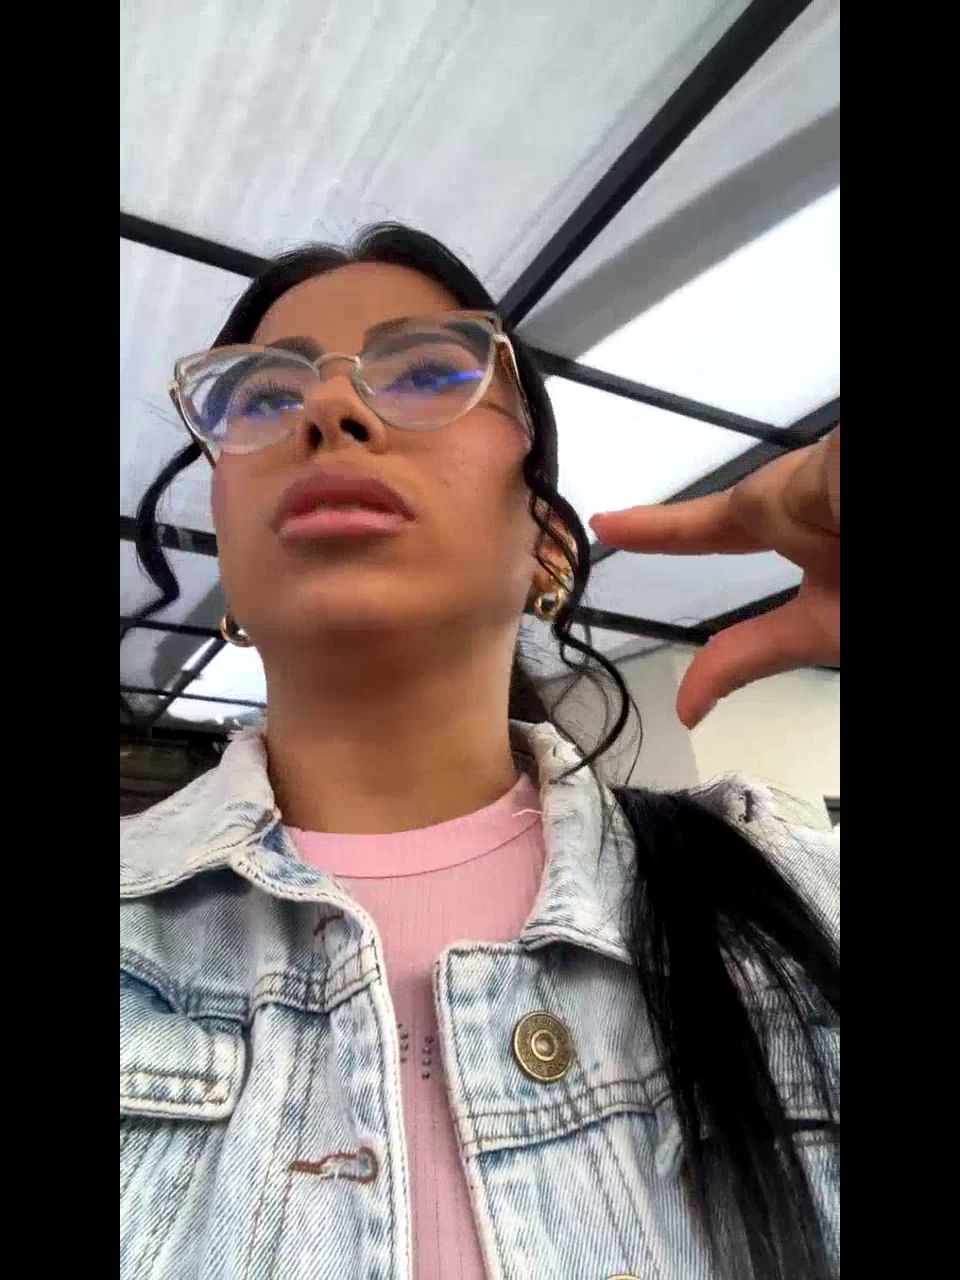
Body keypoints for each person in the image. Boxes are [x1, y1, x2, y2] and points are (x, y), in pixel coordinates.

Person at [120, 225, 839, 1280]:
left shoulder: (790, 900)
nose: (329, 409)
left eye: (426, 372)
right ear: (227, 551)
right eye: (264, 396)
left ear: (548, 546)